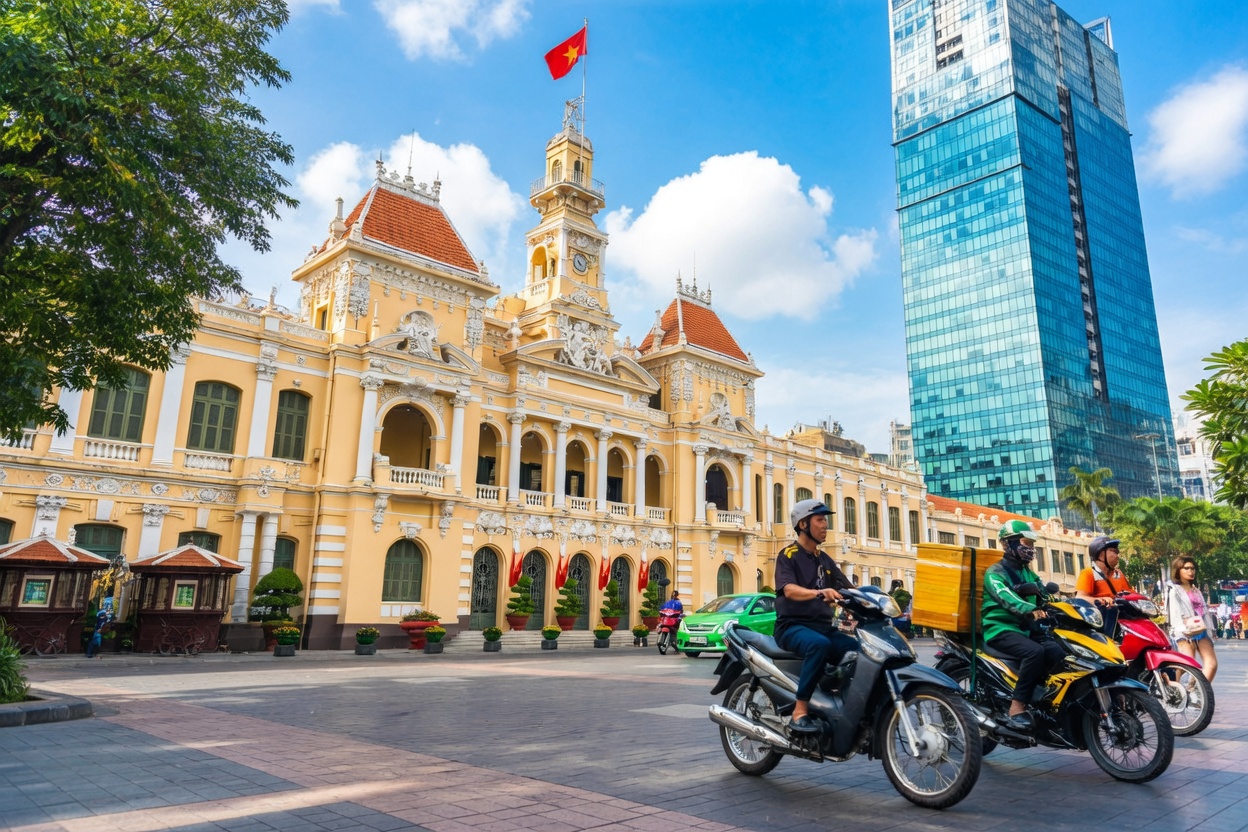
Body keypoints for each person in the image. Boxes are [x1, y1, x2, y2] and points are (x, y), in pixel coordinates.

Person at [774, 498, 856, 734]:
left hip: (822, 627)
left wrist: (875, 601)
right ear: (803, 524)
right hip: (792, 626)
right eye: (819, 520)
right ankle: (799, 711)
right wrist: (819, 593)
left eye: (825, 520)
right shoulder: (788, 554)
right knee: (819, 646)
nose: (825, 525)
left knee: (858, 651)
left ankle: (836, 700)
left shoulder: (824, 558)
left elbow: (847, 588)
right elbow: (788, 589)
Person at [981, 519, 1065, 732]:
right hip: (1001, 628)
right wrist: (1029, 608)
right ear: (1008, 544)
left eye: (1032, 544)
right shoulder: (995, 572)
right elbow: (1005, 596)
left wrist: (1065, 608)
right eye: (1026, 543)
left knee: (1058, 651)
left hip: (1025, 629)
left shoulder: (1028, 572)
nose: (1031, 549)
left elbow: (1044, 594)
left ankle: (1042, 698)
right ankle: (1016, 708)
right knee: (1034, 652)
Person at [1164, 556, 1218, 681]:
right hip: (1184, 631)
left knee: (1212, 664)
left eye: (1192, 568)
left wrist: (1210, 630)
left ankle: (1198, 691)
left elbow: (1203, 611)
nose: (1191, 571)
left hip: (1201, 629)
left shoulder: (1196, 590)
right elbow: (1174, 613)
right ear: (1178, 570)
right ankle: (1171, 691)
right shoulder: (1174, 590)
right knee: (1187, 664)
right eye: (1186, 568)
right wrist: (1181, 630)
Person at [1075, 536, 1132, 635]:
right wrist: (1102, 600)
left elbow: (1131, 594)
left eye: (1117, 552)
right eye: (1113, 551)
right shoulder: (1088, 573)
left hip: (1122, 619)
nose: (1117, 555)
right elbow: (1080, 597)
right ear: (1101, 554)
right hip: (1102, 621)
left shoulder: (1119, 574)